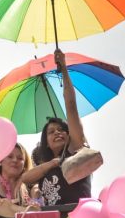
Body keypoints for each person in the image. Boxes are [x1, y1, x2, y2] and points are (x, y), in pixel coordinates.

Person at [22, 49, 91, 205]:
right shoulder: (45, 165)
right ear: (45, 141)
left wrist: (64, 69)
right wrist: (53, 163)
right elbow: (25, 178)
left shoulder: (76, 150)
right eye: (51, 132)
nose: (58, 133)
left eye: (61, 130)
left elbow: (71, 107)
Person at [0, 143, 41, 218]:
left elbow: (38, 206)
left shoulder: (29, 186)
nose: (15, 160)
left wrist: (36, 198)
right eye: (10, 156)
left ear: (24, 165)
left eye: (20, 158)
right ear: (0, 161)